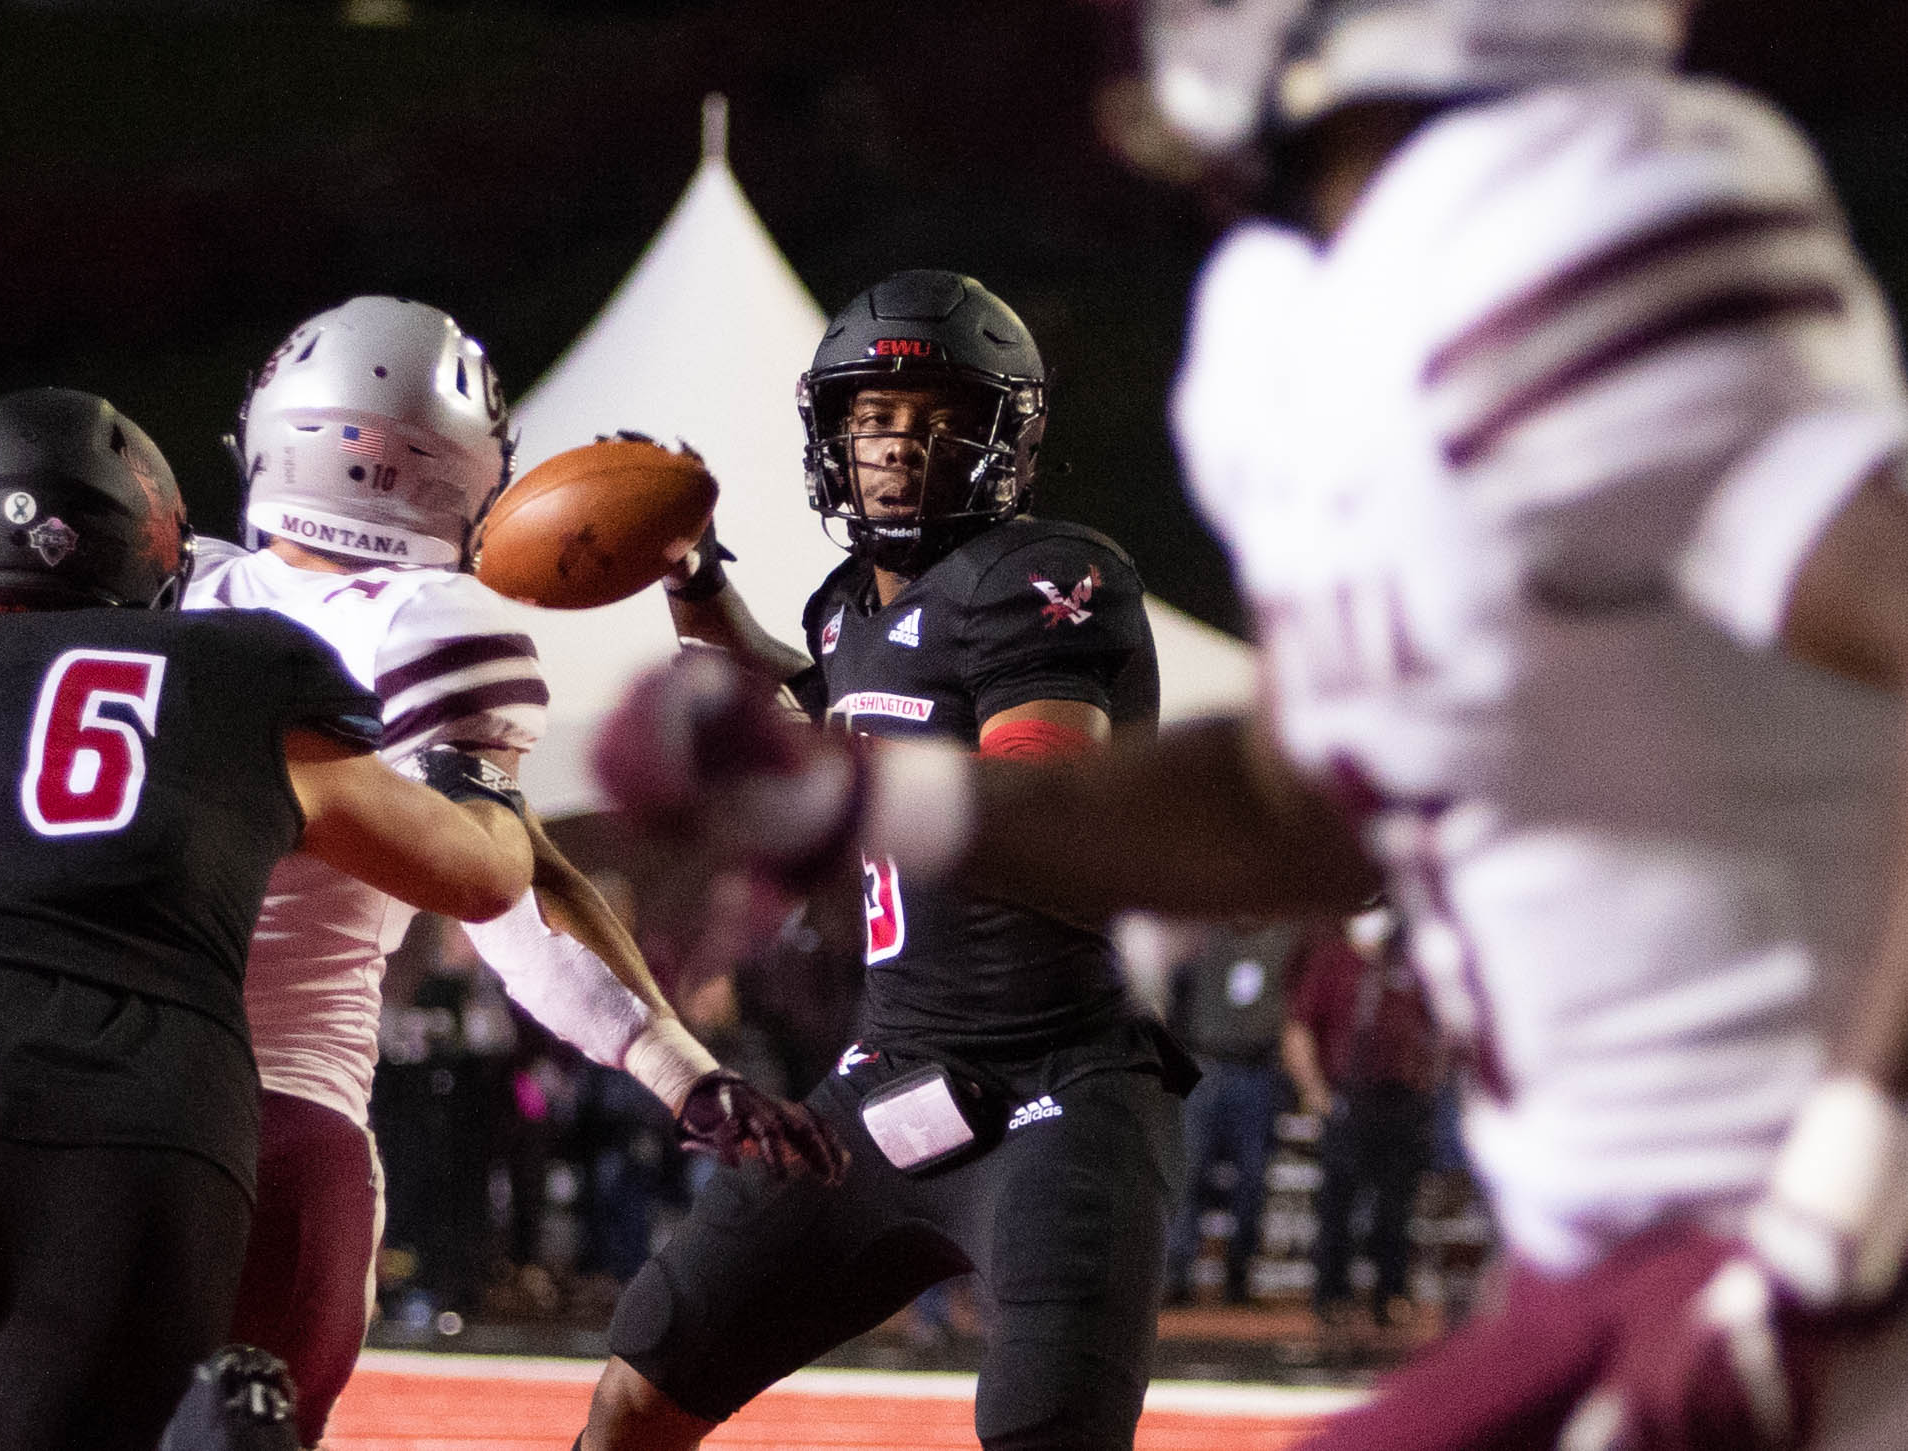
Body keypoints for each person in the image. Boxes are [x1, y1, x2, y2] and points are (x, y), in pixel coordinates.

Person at [596, 4, 1908, 1445]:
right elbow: (1304, 801)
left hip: (1801, 1229)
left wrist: (1846, 1183)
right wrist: (846, 801)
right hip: (1600, 1239)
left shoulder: (1572, 216)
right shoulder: (1289, 320)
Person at [186, 296, 840, 1447]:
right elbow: (504, 888)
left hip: (67, 1088)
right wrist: (682, 1070)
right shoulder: (425, 620)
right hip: (277, 1119)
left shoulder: (162, 580)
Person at [584, 269, 1195, 1451]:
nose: (899, 444)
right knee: (645, 1374)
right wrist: (692, 575)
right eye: (874, 417)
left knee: (1045, 1429)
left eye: (935, 416)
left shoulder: (1042, 574)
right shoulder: (845, 610)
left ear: (1005, 435)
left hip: (1059, 1086)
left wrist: (839, 792)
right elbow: (796, 696)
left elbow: (1041, 790)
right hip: (886, 1070)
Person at [0, 387, 534, 1451]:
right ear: (154, 546)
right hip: (145, 1110)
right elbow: (479, 874)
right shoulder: (242, 667)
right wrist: (484, 768)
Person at [1282, 910, 1438, 1341]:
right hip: (1348, 1098)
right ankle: (1332, 1296)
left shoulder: (1406, 961)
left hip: (1401, 1100)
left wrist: (1428, 1082)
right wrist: (1316, 1092)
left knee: (1396, 1205)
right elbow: (1300, 1029)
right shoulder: (1332, 961)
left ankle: (1391, 1295)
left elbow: (1437, 1027)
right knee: (1338, 1205)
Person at [1162, 919, 1304, 1306]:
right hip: (1206, 1063)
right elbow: (1176, 996)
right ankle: (1177, 1274)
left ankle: (1238, 1276)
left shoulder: (1282, 941)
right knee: (1190, 1173)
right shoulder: (1202, 936)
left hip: (1256, 1069)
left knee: (1253, 1177)